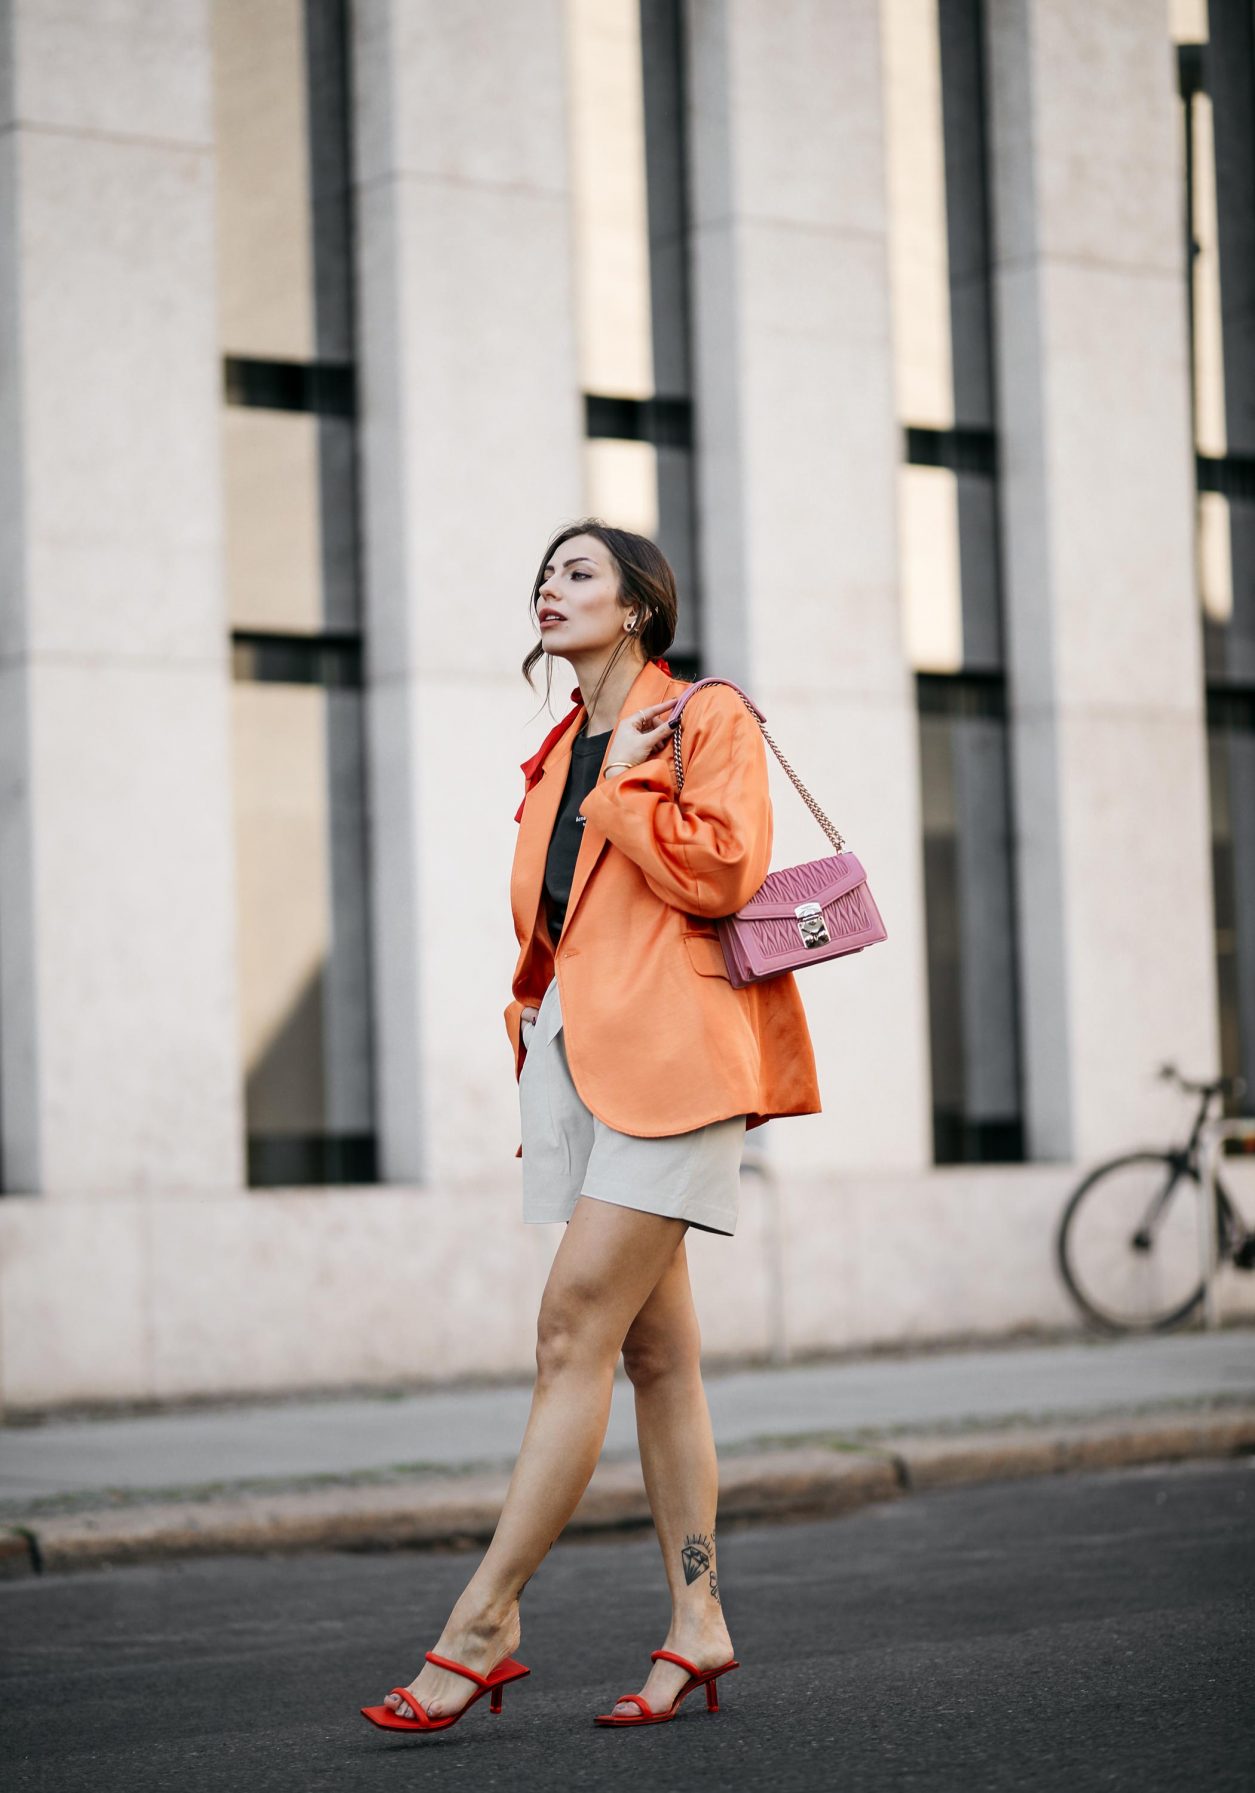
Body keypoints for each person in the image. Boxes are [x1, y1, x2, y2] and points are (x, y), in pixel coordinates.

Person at [362, 520, 821, 1733]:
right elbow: (555, 915)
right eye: (542, 576)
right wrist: (529, 1014)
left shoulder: (699, 717)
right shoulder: (563, 744)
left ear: (636, 608)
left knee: (569, 1329)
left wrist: (626, 782)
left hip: (677, 1062)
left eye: (578, 574)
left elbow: (723, 874)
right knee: (655, 1356)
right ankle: (700, 1621)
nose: (548, 591)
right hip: (577, 1062)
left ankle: (482, 1622)